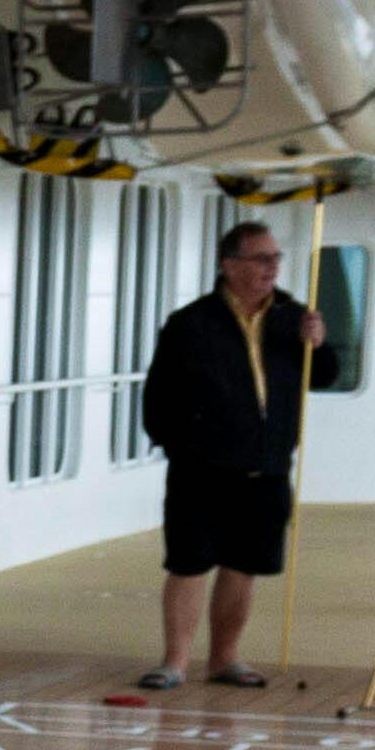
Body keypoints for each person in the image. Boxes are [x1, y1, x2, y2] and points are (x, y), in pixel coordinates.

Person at [132, 217, 319, 691]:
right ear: (230, 265)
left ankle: (224, 659)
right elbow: (158, 396)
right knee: (189, 563)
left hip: (266, 466)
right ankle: (174, 662)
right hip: (201, 468)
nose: (272, 267)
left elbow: (323, 374)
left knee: (244, 565)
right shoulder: (192, 323)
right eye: (261, 258)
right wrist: (183, 445)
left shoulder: (293, 318)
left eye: (276, 258)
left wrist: (318, 343)